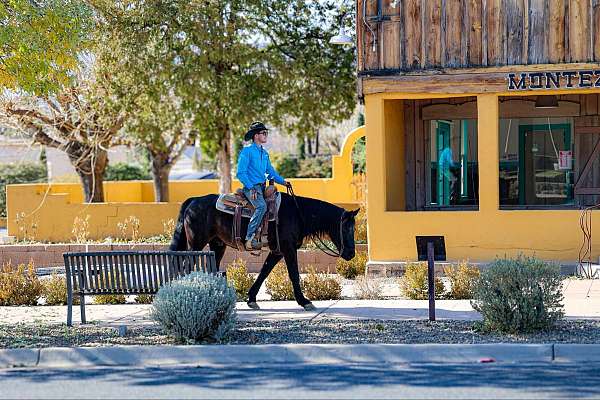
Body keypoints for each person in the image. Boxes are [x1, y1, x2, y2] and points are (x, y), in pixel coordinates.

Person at [236, 121, 291, 251]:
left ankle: (266, 236)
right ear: (256, 135)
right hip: (251, 187)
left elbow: (270, 172)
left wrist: (283, 182)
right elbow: (241, 173)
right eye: (263, 133)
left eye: (266, 133)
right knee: (261, 206)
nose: (266, 135)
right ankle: (249, 239)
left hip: (262, 187)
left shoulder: (264, 153)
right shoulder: (247, 151)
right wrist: (251, 187)